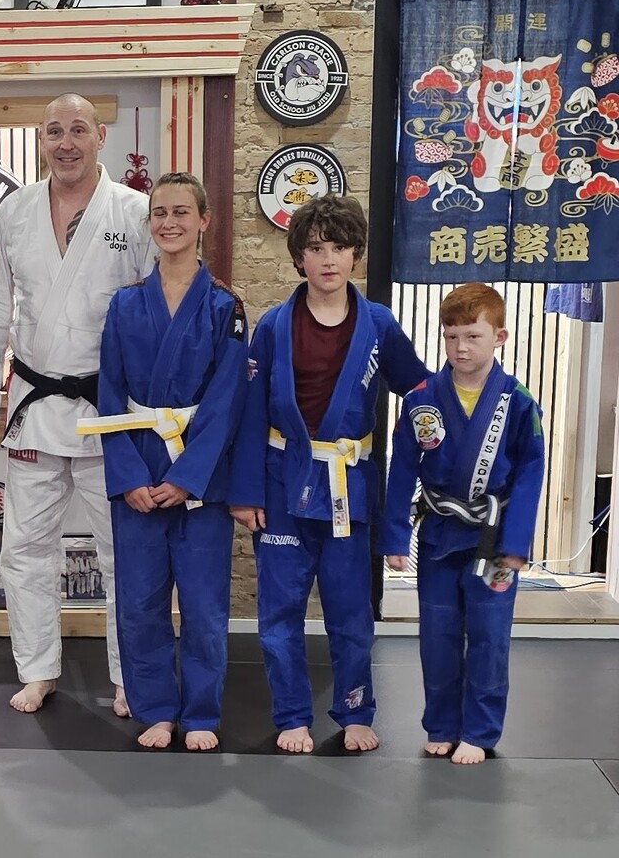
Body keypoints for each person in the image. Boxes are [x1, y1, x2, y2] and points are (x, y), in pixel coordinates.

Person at [0, 94, 156, 718]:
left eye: (78, 130)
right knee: (24, 549)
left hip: (111, 406)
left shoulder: (135, 211)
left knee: (121, 551)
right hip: (36, 402)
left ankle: (130, 676)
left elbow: (155, 311)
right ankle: (38, 669)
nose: (66, 142)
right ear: (41, 140)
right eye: (54, 132)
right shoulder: (14, 211)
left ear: (101, 136)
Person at [230, 195, 429, 754]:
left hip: (349, 487)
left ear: (356, 254)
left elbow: (419, 388)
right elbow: (250, 413)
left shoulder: (378, 325)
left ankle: (355, 710)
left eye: (339, 248)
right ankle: (292, 715)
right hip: (282, 482)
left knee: (350, 612)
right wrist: (244, 492)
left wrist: (465, 411)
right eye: (316, 248)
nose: (328, 259)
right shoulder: (273, 326)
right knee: (279, 613)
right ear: (299, 258)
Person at [84, 174, 248, 751]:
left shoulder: (225, 306)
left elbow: (227, 401)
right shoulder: (126, 304)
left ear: (204, 221)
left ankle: (201, 712)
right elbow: (108, 393)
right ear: (148, 222)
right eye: (159, 212)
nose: (169, 222)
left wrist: (186, 478)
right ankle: (155, 708)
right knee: (139, 601)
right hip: (138, 458)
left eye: (181, 212)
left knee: (203, 605)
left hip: (200, 475)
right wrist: (128, 476)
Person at [381, 283, 543, 766]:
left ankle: (480, 730)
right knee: (438, 634)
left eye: (473, 336)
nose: (461, 348)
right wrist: (395, 536)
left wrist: (517, 542)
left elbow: (531, 472)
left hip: (494, 538)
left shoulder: (518, 401)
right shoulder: (421, 399)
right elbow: (401, 469)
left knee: (489, 635)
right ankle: (442, 725)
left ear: (500, 337)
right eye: (451, 337)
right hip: (438, 534)